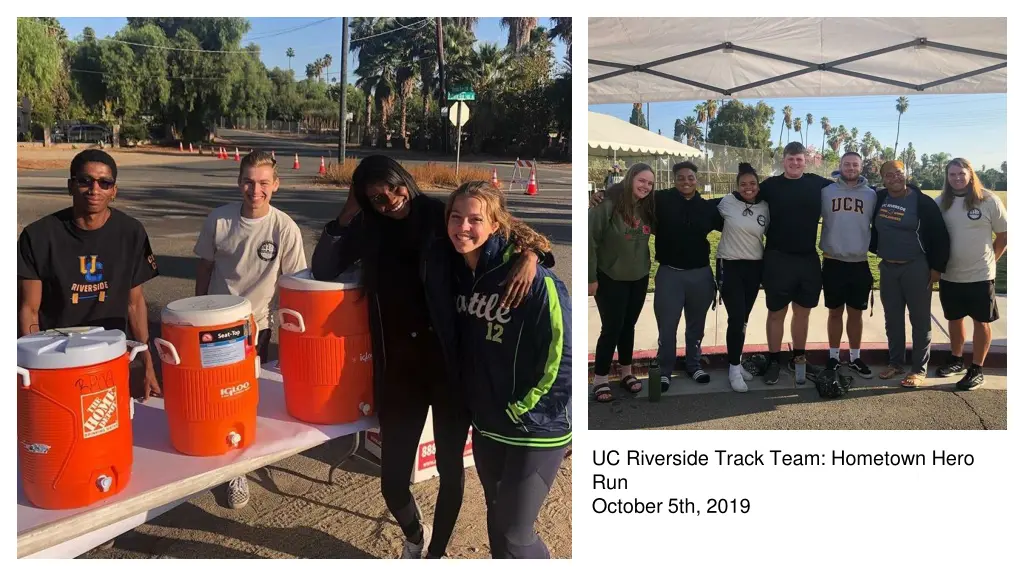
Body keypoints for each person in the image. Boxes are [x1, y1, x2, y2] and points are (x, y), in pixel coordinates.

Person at [309, 156, 550, 559]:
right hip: (400, 371)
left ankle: (434, 555)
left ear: (405, 180)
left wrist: (533, 256)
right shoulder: (369, 227)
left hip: (449, 367)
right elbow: (323, 267)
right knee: (392, 482)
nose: (392, 200)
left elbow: (498, 231)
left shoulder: (439, 217)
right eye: (377, 198)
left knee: (450, 473)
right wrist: (350, 208)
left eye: (395, 187)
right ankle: (414, 534)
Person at [446, 181, 570, 559]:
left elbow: (560, 358)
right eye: (455, 217)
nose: (462, 227)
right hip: (487, 425)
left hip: (533, 427)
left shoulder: (534, 282)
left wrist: (522, 409)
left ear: (496, 224)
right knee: (497, 519)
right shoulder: (456, 269)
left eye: (474, 219)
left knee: (516, 533)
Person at [193, 150, 308, 510]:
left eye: (262, 183)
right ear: (238, 181)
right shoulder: (219, 220)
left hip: (257, 328)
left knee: (245, 396)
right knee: (215, 394)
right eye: (248, 181)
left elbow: (294, 283)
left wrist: (289, 331)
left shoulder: (284, 228)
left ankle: (237, 466)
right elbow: (205, 270)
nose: (254, 190)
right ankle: (218, 450)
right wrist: (197, 315)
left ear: (275, 185)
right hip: (214, 327)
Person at [17, 149, 161, 400]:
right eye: (85, 181)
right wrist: (35, 367)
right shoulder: (38, 236)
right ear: (70, 186)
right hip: (59, 359)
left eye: (105, 183)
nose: (95, 189)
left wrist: (147, 360)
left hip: (112, 355)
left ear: (114, 191)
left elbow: (134, 302)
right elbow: (29, 308)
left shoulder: (131, 232)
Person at [757, 142, 834, 385]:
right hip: (777, 257)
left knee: (803, 312)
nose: (795, 163)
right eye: (790, 159)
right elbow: (745, 194)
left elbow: (848, 186)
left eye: (799, 159)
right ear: (784, 161)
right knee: (776, 312)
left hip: (807, 258)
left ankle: (798, 357)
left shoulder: (817, 184)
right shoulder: (770, 186)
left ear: (805, 161)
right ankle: (773, 360)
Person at [869, 160, 950, 387]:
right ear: (883, 179)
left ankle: (918, 369)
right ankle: (895, 363)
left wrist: (936, 269)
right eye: (889, 175)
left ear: (906, 174)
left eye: (899, 173)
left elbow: (940, 236)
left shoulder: (921, 202)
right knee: (892, 319)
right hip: (888, 268)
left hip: (916, 267)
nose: (895, 178)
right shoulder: (880, 199)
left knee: (920, 320)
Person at [933, 158, 1007, 390]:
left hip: (980, 275)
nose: (957, 178)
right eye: (952, 174)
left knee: (981, 321)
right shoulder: (940, 203)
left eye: (961, 174)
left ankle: (977, 368)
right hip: (950, 274)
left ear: (970, 174)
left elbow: (1003, 236)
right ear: (947, 177)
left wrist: (990, 261)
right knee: (954, 319)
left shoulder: (988, 200)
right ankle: (956, 359)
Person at [588, 163, 655, 402]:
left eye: (650, 183)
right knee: (612, 328)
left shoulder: (648, 207)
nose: (645, 186)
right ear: (630, 178)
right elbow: (590, 239)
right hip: (610, 277)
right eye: (641, 180)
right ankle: (601, 379)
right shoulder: (607, 203)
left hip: (638, 276)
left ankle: (626, 373)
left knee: (628, 326)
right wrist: (590, 277)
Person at [650, 161, 719, 391]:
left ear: (696, 179)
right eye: (681, 178)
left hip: (700, 275)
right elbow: (631, 191)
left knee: (696, 325)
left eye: (690, 177)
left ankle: (694, 364)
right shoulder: (661, 199)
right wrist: (600, 194)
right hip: (670, 273)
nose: (686, 182)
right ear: (674, 179)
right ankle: (665, 369)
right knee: (667, 326)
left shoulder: (708, 207)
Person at [819, 151, 877, 378]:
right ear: (840, 166)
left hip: (859, 263)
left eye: (855, 164)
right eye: (847, 164)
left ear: (860, 167)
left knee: (855, 314)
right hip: (833, 262)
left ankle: (854, 357)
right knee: (834, 313)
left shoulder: (871, 195)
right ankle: (833, 356)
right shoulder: (826, 192)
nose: (851, 168)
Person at [712, 163, 769, 393]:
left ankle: (736, 361)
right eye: (743, 184)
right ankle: (734, 369)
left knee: (743, 319)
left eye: (752, 184)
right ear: (737, 186)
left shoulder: (765, 207)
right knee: (736, 318)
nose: (748, 188)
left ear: (758, 185)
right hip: (730, 265)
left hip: (754, 267)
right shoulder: (726, 202)